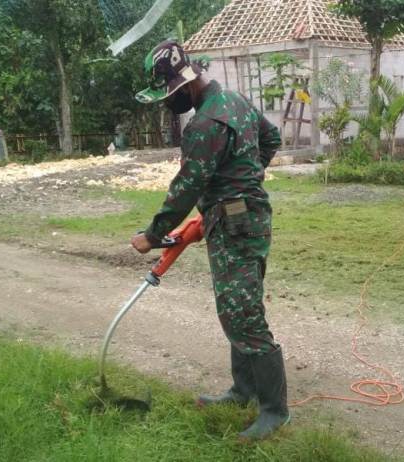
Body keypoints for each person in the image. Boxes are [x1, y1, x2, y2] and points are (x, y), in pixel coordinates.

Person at [129, 40, 290, 440]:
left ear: (185, 85)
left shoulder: (204, 125)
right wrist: (242, 182)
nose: (169, 104)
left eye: (169, 96)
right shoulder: (235, 101)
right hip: (243, 219)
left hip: (238, 226)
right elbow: (271, 139)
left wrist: (152, 236)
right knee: (234, 306)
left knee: (243, 313)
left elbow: (186, 188)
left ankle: (274, 410)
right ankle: (243, 390)